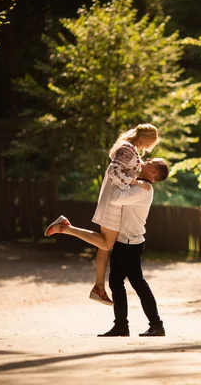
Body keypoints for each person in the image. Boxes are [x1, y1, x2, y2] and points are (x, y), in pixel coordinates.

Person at [44, 124, 159, 306]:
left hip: (115, 199)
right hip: (113, 200)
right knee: (107, 243)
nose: (148, 148)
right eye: (149, 143)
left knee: (104, 246)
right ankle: (65, 228)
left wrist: (133, 182)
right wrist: (135, 182)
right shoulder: (127, 149)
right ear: (144, 138)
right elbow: (113, 171)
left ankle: (99, 288)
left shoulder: (129, 147)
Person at [97, 158, 169, 337]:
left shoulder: (143, 189)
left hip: (130, 244)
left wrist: (118, 178)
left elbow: (115, 199)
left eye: (152, 162)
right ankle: (121, 326)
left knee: (138, 284)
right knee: (116, 283)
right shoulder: (138, 184)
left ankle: (156, 325)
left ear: (153, 173)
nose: (148, 159)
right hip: (123, 242)